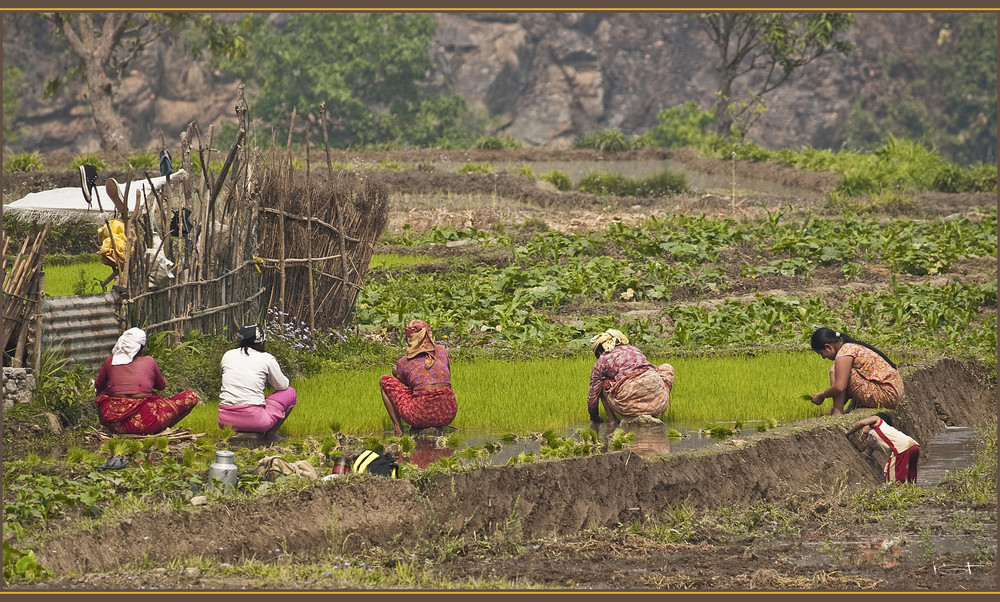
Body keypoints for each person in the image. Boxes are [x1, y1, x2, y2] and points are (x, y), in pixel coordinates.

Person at [94, 327, 198, 435]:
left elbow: (98, 385)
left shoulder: (110, 361)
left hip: (117, 425)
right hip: (148, 423)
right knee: (191, 396)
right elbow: (161, 386)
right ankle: (159, 429)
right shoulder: (149, 361)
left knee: (101, 394)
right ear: (141, 348)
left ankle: (108, 427)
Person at [218, 324, 297, 443]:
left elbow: (223, 375)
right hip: (255, 420)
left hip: (225, 421)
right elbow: (282, 386)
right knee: (290, 392)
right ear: (261, 343)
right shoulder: (266, 358)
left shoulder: (227, 355)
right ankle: (270, 434)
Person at [379, 319, 457, 436]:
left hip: (420, 417)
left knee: (384, 380)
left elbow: (406, 387)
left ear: (409, 338)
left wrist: (396, 372)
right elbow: (447, 377)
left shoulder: (403, 362)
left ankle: (398, 428)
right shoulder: (442, 351)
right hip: (448, 414)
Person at [587, 328, 674, 428]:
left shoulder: (601, 361)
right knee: (667, 368)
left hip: (628, 406)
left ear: (599, 352)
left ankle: (612, 421)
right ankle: (652, 412)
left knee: (603, 383)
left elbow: (592, 398)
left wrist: (595, 418)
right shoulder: (634, 349)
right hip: (660, 404)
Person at [809, 327, 904, 415]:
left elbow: (839, 387)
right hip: (893, 392)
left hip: (887, 395)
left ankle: (837, 413)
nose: (823, 357)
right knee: (842, 374)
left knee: (834, 371)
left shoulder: (844, 353)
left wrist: (822, 395)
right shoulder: (850, 347)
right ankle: (836, 410)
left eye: (821, 353)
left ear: (828, 347)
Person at [842, 412, 920, 484]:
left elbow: (862, 422)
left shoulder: (877, 420)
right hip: (913, 446)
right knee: (910, 474)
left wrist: (847, 433)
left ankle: (898, 492)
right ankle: (910, 490)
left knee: (894, 479)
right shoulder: (871, 440)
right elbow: (866, 455)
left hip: (900, 448)